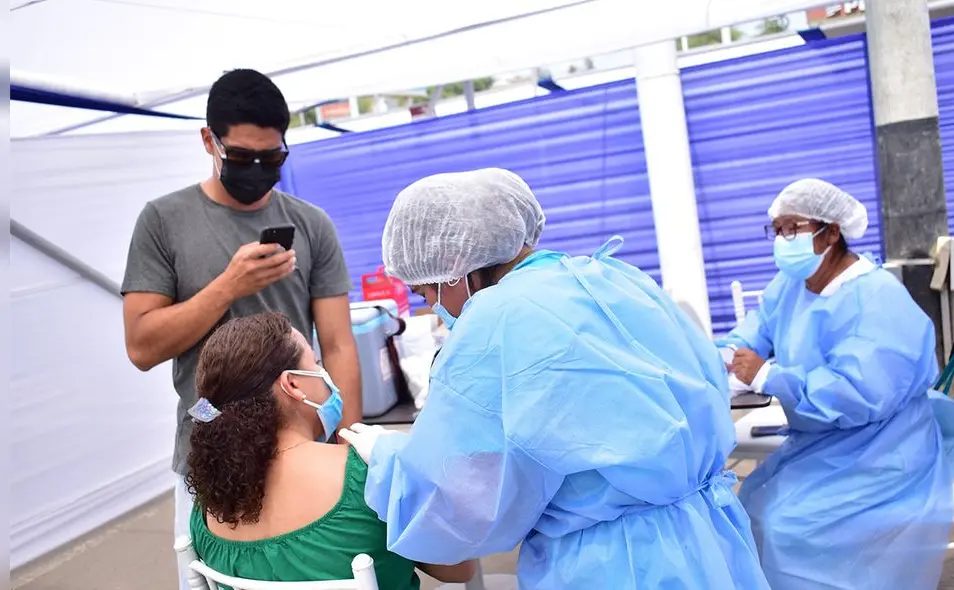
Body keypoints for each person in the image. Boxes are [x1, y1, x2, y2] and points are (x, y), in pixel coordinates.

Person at [340, 168, 771, 589]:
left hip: (615, 563)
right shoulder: (614, 277)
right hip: (711, 537)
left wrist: (387, 461)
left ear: (455, 265)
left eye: (427, 290)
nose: (433, 305)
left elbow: (462, 507)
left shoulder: (494, 319)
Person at [120, 69, 361, 589]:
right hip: (206, 447)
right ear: (209, 141)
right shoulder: (164, 220)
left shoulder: (311, 223)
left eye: (272, 158)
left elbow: (338, 342)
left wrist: (347, 442)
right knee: (211, 578)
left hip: (301, 447)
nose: (258, 169)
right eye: (243, 157)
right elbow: (141, 347)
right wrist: (228, 285)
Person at [719, 178, 954, 589]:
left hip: (883, 447)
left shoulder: (877, 298)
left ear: (831, 232)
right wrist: (729, 355)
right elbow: (755, 330)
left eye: (793, 228)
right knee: (751, 506)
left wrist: (770, 375)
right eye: (778, 229)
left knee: (789, 526)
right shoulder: (789, 287)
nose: (783, 240)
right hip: (823, 442)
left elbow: (859, 393)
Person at [185, 312, 475, 588]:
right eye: (316, 363)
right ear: (293, 384)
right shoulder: (371, 475)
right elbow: (459, 568)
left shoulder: (208, 505)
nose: (324, 374)